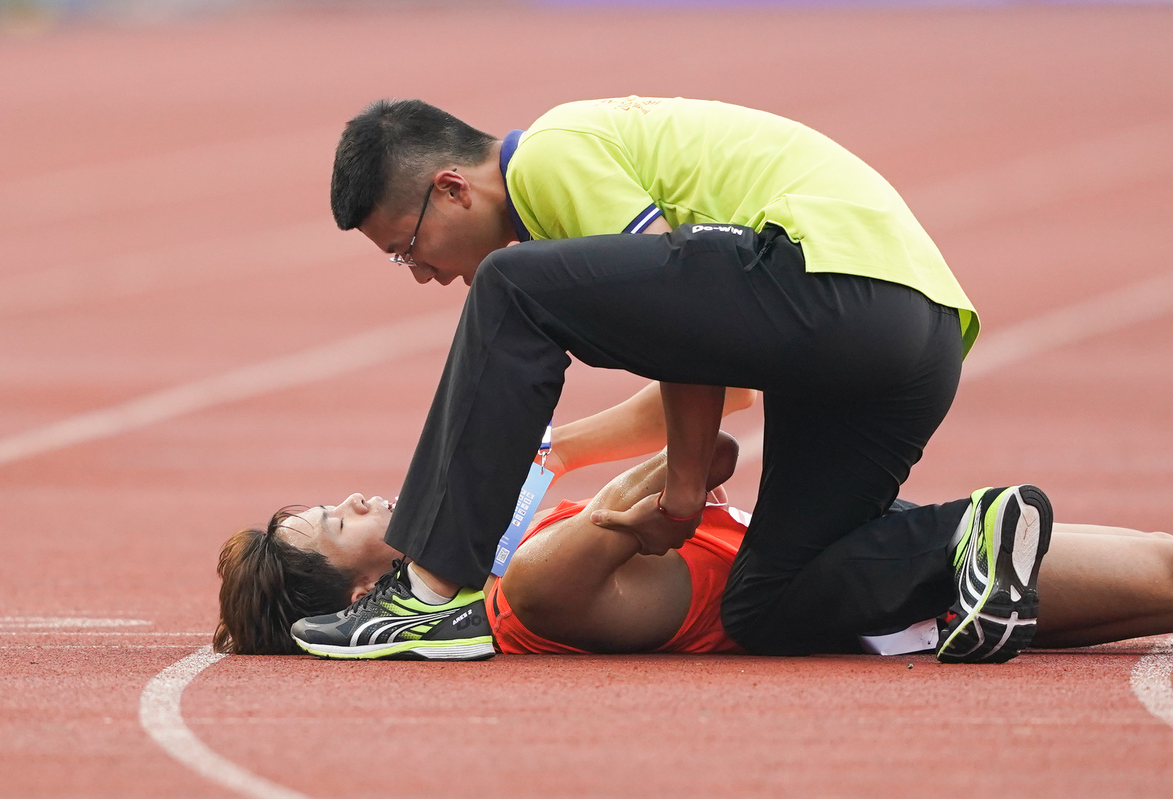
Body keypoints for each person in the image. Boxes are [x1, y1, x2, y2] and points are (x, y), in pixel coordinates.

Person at [300, 95, 1041, 663]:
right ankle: (971, 535)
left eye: (407, 248)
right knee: (766, 603)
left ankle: (428, 594)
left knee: (510, 286)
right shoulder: (567, 214)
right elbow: (721, 364)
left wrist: (685, 485)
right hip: (909, 341)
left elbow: (684, 327)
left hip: (838, 282)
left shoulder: (549, 157)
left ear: (454, 188)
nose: (423, 276)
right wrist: (560, 452)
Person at [213, 426, 1173, 659]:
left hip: (877, 559)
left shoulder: (520, 558)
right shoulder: (525, 594)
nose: (356, 494)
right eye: (345, 523)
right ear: (365, 596)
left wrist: (551, 445)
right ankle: (980, 535)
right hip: (900, 600)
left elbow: (700, 438)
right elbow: (693, 463)